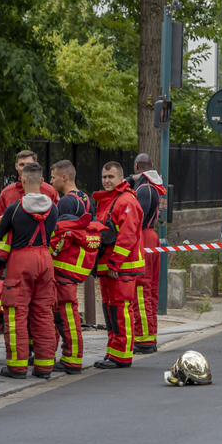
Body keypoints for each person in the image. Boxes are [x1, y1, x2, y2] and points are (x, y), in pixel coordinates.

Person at [0, 163, 58, 379]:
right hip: (46, 260)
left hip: (21, 260)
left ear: (21, 180)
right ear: (42, 182)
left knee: (16, 313)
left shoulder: (15, 208)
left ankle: (17, 367)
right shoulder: (53, 208)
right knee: (43, 313)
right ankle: (45, 365)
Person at [92, 162, 145, 369]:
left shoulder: (126, 201)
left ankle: (122, 356)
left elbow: (127, 236)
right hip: (109, 267)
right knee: (110, 310)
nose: (106, 180)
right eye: (104, 176)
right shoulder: (109, 200)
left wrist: (115, 262)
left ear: (120, 179)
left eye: (111, 177)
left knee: (121, 311)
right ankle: (112, 353)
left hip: (120, 267)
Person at [49, 160, 97, 374]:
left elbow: (59, 236)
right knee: (67, 311)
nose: (51, 181)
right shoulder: (86, 198)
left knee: (66, 312)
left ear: (64, 177)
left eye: (53, 177)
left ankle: (71, 359)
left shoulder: (66, 202)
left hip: (64, 265)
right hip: (78, 264)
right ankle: (68, 356)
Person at [130, 153, 166, 355]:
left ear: (136, 166)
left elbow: (137, 219)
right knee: (150, 290)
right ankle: (149, 335)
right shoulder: (153, 186)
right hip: (151, 237)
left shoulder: (142, 189)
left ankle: (143, 338)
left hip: (142, 238)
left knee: (142, 290)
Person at [0, 150, 59, 228]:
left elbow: (58, 222)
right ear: (16, 166)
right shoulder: (6, 193)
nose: (25, 167)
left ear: (36, 165)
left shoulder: (51, 191)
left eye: (29, 164)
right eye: (22, 164)